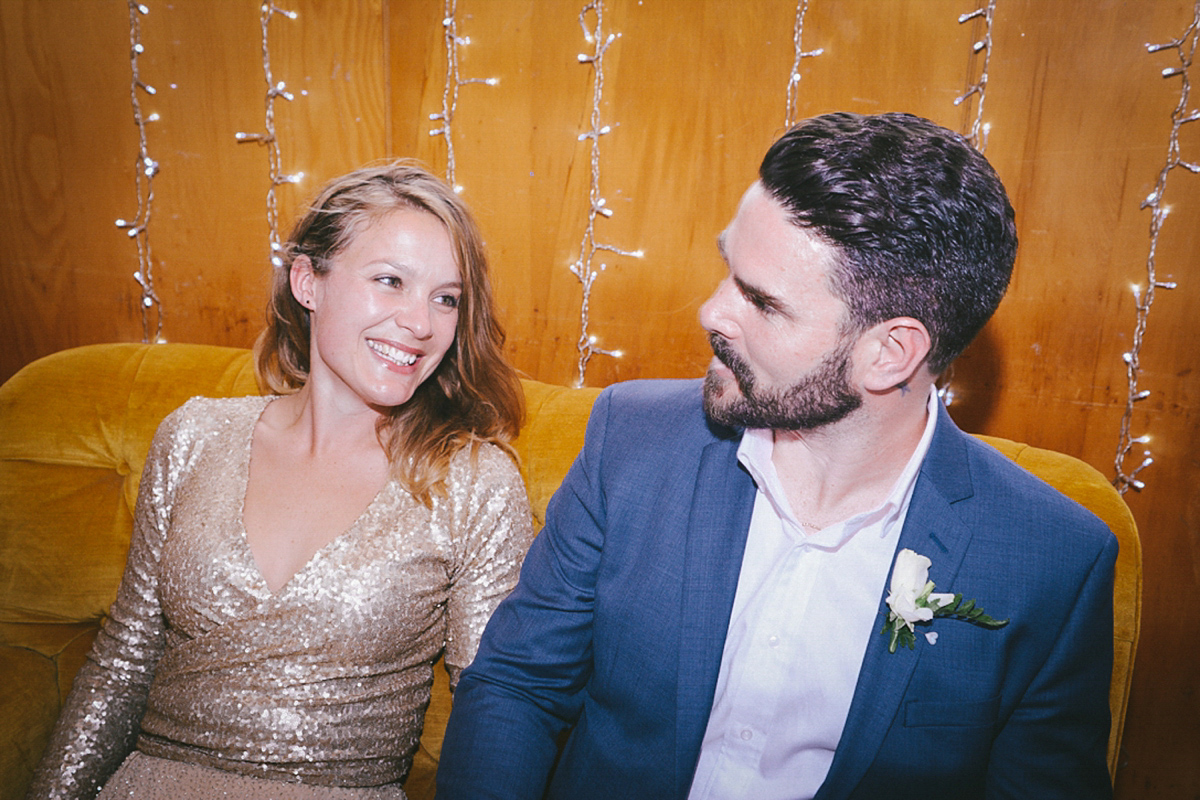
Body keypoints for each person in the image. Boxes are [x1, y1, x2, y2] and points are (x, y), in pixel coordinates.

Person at [437, 112, 1117, 799]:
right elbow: (517, 685)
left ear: (890, 353)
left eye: (761, 301)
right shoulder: (631, 441)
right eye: (728, 269)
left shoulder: (1053, 562)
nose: (710, 312)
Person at [27, 161, 534, 799]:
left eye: (446, 297)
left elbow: (498, 706)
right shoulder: (193, 437)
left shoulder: (472, 481)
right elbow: (123, 664)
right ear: (307, 282)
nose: (422, 323)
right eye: (389, 281)